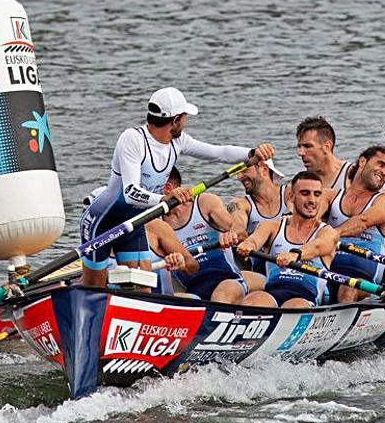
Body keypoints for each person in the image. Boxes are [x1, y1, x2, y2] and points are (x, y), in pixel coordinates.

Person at [79, 86, 273, 286]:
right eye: (185, 117)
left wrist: (251, 153)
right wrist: (163, 199)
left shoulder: (178, 141)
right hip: (102, 222)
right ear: (175, 120)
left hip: (135, 223)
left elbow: (219, 152)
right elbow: (130, 193)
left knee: (140, 288)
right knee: (94, 288)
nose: (186, 122)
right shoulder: (133, 139)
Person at [236, 171, 339, 308]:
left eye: (317, 194)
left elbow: (318, 246)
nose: (312, 200)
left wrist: (295, 254)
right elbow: (256, 238)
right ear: (291, 197)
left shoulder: (327, 232)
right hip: (272, 293)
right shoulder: (272, 226)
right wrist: (248, 244)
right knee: (254, 299)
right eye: (305, 193)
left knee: (294, 306)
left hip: (304, 298)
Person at [161, 168, 251, 303]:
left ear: (167, 189)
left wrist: (232, 234)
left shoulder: (204, 202)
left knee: (221, 295)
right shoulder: (155, 224)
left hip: (228, 281)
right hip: (194, 291)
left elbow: (241, 233)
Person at [326, 146, 385, 302]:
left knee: (348, 287)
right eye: (381, 164)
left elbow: (362, 222)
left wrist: (329, 236)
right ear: (363, 161)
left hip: (364, 284)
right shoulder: (330, 196)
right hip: (326, 273)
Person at [226, 158, 288, 274]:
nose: (239, 177)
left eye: (244, 170)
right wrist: (236, 234)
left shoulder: (290, 193)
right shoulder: (238, 204)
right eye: (237, 173)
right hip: (262, 263)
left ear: (264, 170)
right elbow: (238, 224)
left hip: (292, 257)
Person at [296, 116, 353, 190]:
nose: (300, 153)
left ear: (327, 147)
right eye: (299, 147)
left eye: (307, 146)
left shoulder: (352, 176)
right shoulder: (302, 182)